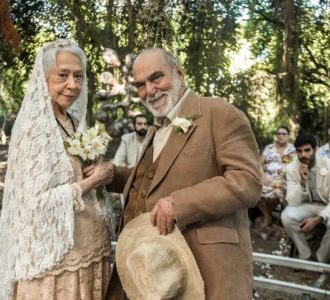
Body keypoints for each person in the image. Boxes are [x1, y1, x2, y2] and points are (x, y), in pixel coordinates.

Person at [106, 48, 262, 299]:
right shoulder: (156, 128)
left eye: (156, 78)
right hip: (157, 267)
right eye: (140, 85)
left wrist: (179, 205)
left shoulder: (218, 112)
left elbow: (247, 181)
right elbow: (153, 180)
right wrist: (110, 175)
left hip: (205, 265)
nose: (150, 90)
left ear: (179, 73)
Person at [0, 40, 114, 300]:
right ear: (43, 77)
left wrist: (97, 169)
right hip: (57, 270)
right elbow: (34, 204)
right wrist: (92, 182)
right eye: (63, 75)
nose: (73, 85)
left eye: (78, 76)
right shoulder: (34, 129)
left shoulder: (67, 120)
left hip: (88, 255)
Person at [282, 134, 330, 263]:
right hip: (307, 205)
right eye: (299, 151)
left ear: (315, 149)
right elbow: (292, 201)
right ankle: (304, 255)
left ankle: (320, 258)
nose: (303, 155)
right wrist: (302, 181)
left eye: (307, 150)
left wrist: (318, 219)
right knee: (286, 216)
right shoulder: (291, 168)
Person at [256, 126, 295, 228]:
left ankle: (266, 216)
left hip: (284, 179)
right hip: (267, 177)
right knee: (255, 190)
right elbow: (259, 164)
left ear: (288, 136)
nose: (281, 136)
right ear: (276, 136)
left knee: (278, 192)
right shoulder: (269, 148)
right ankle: (268, 216)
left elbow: (294, 166)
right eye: (279, 134)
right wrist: (263, 176)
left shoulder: (292, 149)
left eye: (284, 134)